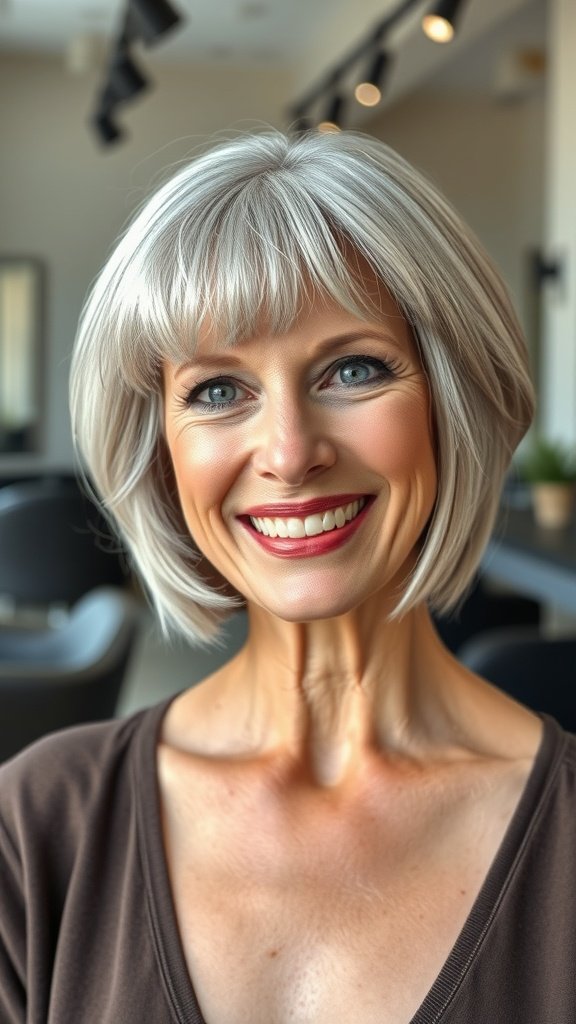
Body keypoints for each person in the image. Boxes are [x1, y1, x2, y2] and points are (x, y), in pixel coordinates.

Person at [0, 129, 575, 1024]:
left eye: (354, 369)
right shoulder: (34, 833)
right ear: (162, 453)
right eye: (219, 391)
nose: (290, 453)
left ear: (451, 403)